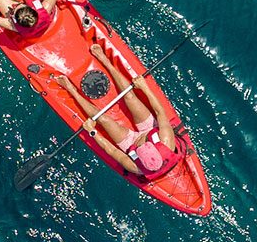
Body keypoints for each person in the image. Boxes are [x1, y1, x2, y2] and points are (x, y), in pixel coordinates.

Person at [62, 33, 184, 180]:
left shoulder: (135, 167)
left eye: (140, 149)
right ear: (155, 147)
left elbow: (111, 150)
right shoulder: (166, 141)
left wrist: (92, 131)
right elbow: (160, 111)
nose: (142, 145)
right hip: (149, 129)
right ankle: (105, 60)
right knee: (130, 96)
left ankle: (71, 90)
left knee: (102, 119)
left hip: (129, 142)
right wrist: (144, 87)